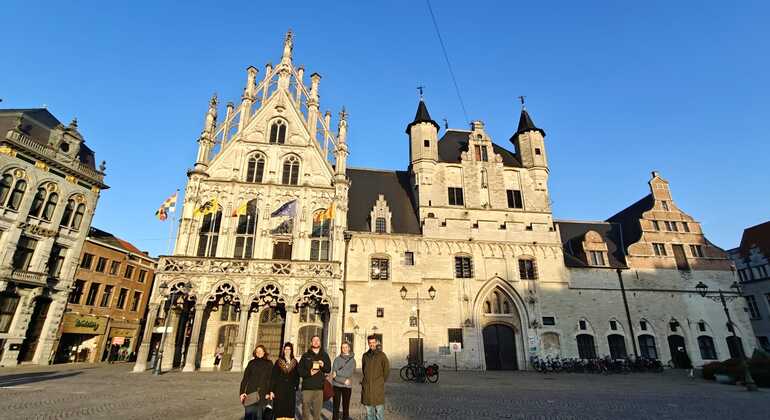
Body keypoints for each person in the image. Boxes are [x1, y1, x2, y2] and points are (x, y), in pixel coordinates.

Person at [297, 335, 331, 420]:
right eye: (314, 340)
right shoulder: (305, 356)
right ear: (311, 343)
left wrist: (323, 365)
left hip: (319, 389)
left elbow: (328, 369)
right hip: (307, 388)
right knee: (305, 412)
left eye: (318, 340)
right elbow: (299, 371)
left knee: (317, 414)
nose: (316, 342)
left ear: (320, 342)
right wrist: (309, 373)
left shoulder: (324, 355)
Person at [239, 345, 274, 420]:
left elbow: (271, 379)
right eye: (257, 351)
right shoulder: (251, 363)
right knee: (249, 416)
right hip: (251, 393)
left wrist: (269, 392)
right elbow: (245, 379)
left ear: (264, 352)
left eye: (260, 351)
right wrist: (242, 392)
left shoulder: (269, 363)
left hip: (263, 394)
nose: (259, 353)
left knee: (259, 416)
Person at [361, 335, 389, 420]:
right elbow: (364, 369)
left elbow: (386, 370)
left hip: (377, 389)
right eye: (370, 343)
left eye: (373, 342)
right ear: (368, 343)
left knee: (379, 413)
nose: (372, 344)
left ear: (376, 343)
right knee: (370, 414)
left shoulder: (382, 355)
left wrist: (380, 381)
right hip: (367, 389)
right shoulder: (365, 356)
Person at [270, 342, 299, 420]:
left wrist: (296, 386)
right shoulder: (278, 362)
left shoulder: (295, 362)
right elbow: (273, 376)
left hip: (290, 390)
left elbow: (297, 375)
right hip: (279, 389)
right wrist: (272, 390)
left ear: (291, 350)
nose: (287, 351)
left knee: (289, 409)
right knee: (279, 409)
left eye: (289, 349)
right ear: (283, 350)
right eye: (286, 349)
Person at [331, 342, 356, 420]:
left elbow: (349, 373)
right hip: (336, 386)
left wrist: (338, 373)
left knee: (346, 406)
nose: (344, 349)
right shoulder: (337, 359)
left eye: (346, 347)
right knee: (335, 407)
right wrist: (343, 381)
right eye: (342, 347)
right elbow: (333, 375)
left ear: (349, 348)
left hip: (347, 387)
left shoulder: (352, 361)